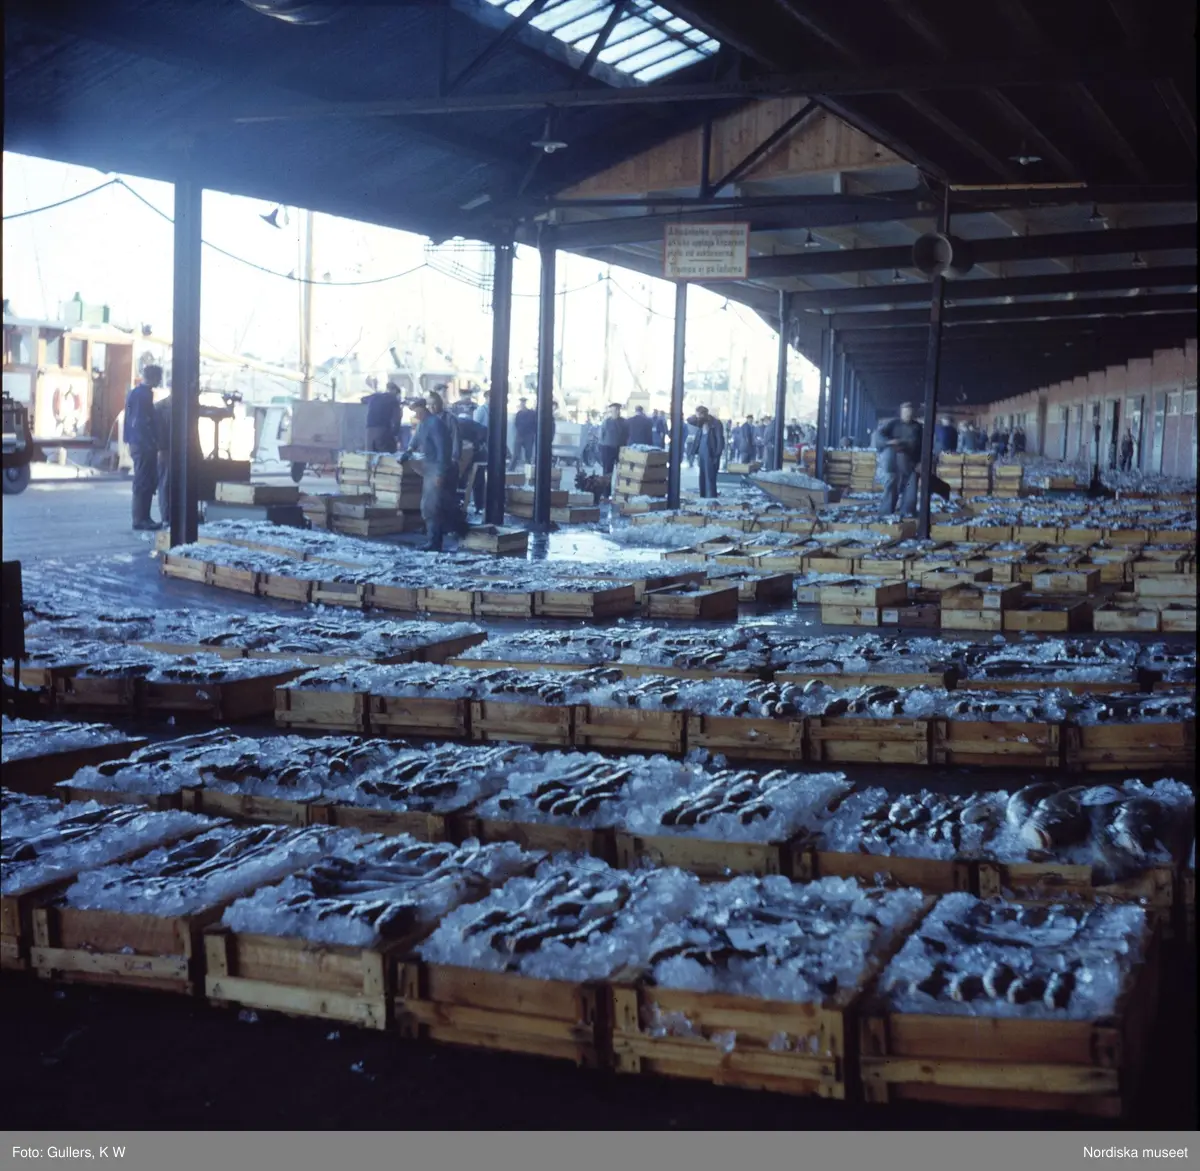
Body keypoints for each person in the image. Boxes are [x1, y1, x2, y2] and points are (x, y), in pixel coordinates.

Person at [400, 393, 457, 552]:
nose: (415, 415)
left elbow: (442, 451)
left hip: (436, 470)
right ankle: (432, 539)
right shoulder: (423, 424)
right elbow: (416, 440)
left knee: (432, 507)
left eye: (416, 411)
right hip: (429, 470)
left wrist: (440, 473)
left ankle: (435, 542)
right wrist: (408, 451)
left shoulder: (435, 424)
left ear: (423, 409)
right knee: (427, 506)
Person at [124, 364, 162, 531]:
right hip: (143, 444)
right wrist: (153, 441)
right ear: (154, 378)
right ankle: (141, 519)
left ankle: (143, 517)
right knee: (143, 481)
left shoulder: (137, 393)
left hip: (138, 443)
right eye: (159, 378)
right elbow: (141, 422)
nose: (160, 381)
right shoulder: (143, 395)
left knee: (144, 481)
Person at [875, 401, 922, 518]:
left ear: (914, 413)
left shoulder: (918, 427)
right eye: (905, 411)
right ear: (901, 412)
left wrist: (921, 462)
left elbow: (924, 446)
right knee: (891, 486)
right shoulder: (893, 424)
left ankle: (908, 513)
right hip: (894, 462)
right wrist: (888, 442)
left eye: (910, 412)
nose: (908, 414)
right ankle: (885, 514)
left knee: (911, 490)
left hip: (911, 463)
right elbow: (878, 435)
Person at [687, 405, 725, 498]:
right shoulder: (700, 422)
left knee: (710, 476)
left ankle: (711, 496)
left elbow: (720, 440)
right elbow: (689, 420)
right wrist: (696, 416)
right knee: (702, 475)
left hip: (710, 452)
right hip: (702, 452)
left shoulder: (715, 423)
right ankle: (703, 495)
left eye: (699, 416)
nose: (697, 418)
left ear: (704, 415)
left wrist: (717, 455)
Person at [455, 411, 488, 514]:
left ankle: (478, 506)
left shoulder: (460, 424)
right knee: (461, 478)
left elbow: (484, 430)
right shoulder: (456, 424)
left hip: (477, 454)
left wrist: (477, 443)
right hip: (467, 452)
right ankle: (462, 503)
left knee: (477, 480)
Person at [365, 383, 401, 453]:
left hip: (369, 429)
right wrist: (395, 432)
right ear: (394, 391)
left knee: (370, 454)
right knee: (385, 455)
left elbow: (363, 399)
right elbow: (397, 419)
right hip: (383, 429)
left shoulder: (375, 396)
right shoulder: (393, 400)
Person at [153, 392, 171, 528]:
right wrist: (160, 448)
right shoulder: (160, 407)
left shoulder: (161, 406)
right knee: (165, 484)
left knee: (167, 484)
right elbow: (158, 431)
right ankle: (166, 517)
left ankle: (168, 517)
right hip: (166, 450)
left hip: (174, 450)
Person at [599, 403, 628, 477]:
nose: (618, 412)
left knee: (622, 470)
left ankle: (619, 486)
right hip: (608, 448)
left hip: (620, 448)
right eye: (615, 410)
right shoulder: (606, 422)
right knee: (607, 470)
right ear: (611, 412)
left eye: (618, 410)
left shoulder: (624, 422)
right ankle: (606, 486)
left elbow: (627, 434)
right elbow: (601, 435)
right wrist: (601, 447)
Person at [511, 397, 536, 470]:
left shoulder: (532, 413)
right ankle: (511, 469)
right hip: (520, 435)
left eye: (523, 403)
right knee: (515, 454)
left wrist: (532, 432)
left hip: (528, 435)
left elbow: (535, 424)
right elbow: (516, 423)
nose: (522, 404)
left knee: (528, 455)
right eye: (521, 403)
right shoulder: (519, 413)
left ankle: (528, 470)